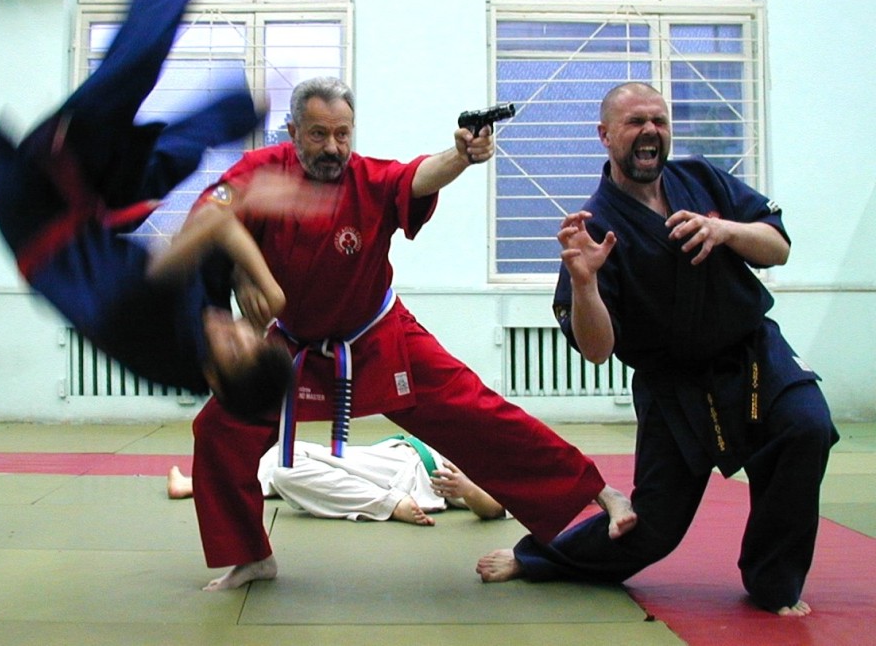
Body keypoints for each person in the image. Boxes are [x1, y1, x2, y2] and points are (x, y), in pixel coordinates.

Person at [186, 75, 637, 592]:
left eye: (342, 134)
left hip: (379, 338)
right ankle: (250, 557)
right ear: (292, 131)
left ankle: (596, 490)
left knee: (479, 411)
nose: (332, 147)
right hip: (293, 347)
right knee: (220, 429)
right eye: (317, 134)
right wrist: (245, 275)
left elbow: (419, 175)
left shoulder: (369, 179)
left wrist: (461, 155)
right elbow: (212, 210)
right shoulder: (257, 172)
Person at [476, 82, 838, 618]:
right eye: (635, 122)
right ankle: (536, 557)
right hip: (675, 385)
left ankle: (773, 581)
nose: (650, 131)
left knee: (806, 427)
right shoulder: (594, 226)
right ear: (605, 135)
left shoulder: (701, 179)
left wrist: (724, 229)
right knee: (651, 529)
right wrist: (585, 284)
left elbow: (777, 248)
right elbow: (597, 350)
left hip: (753, 353)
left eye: (659, 121)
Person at [0, 0, 315, 421]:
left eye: (234, 347)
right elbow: (213, 218)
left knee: (134, 63)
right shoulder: (209, 340)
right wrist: (245, 268)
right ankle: (245, 107)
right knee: (172, 156)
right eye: (249, 335)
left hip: (39, 201)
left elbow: (209, 224)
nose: (233, 328)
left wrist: (253, 224)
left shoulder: (162, 341)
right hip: (96, 214)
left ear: (214, 379)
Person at [167, 436, 507, 525]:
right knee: (285, 458)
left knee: (285, 463)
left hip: (412, 471)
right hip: (396, 457)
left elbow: (494, 508)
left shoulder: (498, 467)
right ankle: (204, 484)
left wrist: (467, 489)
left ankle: (389, 504)